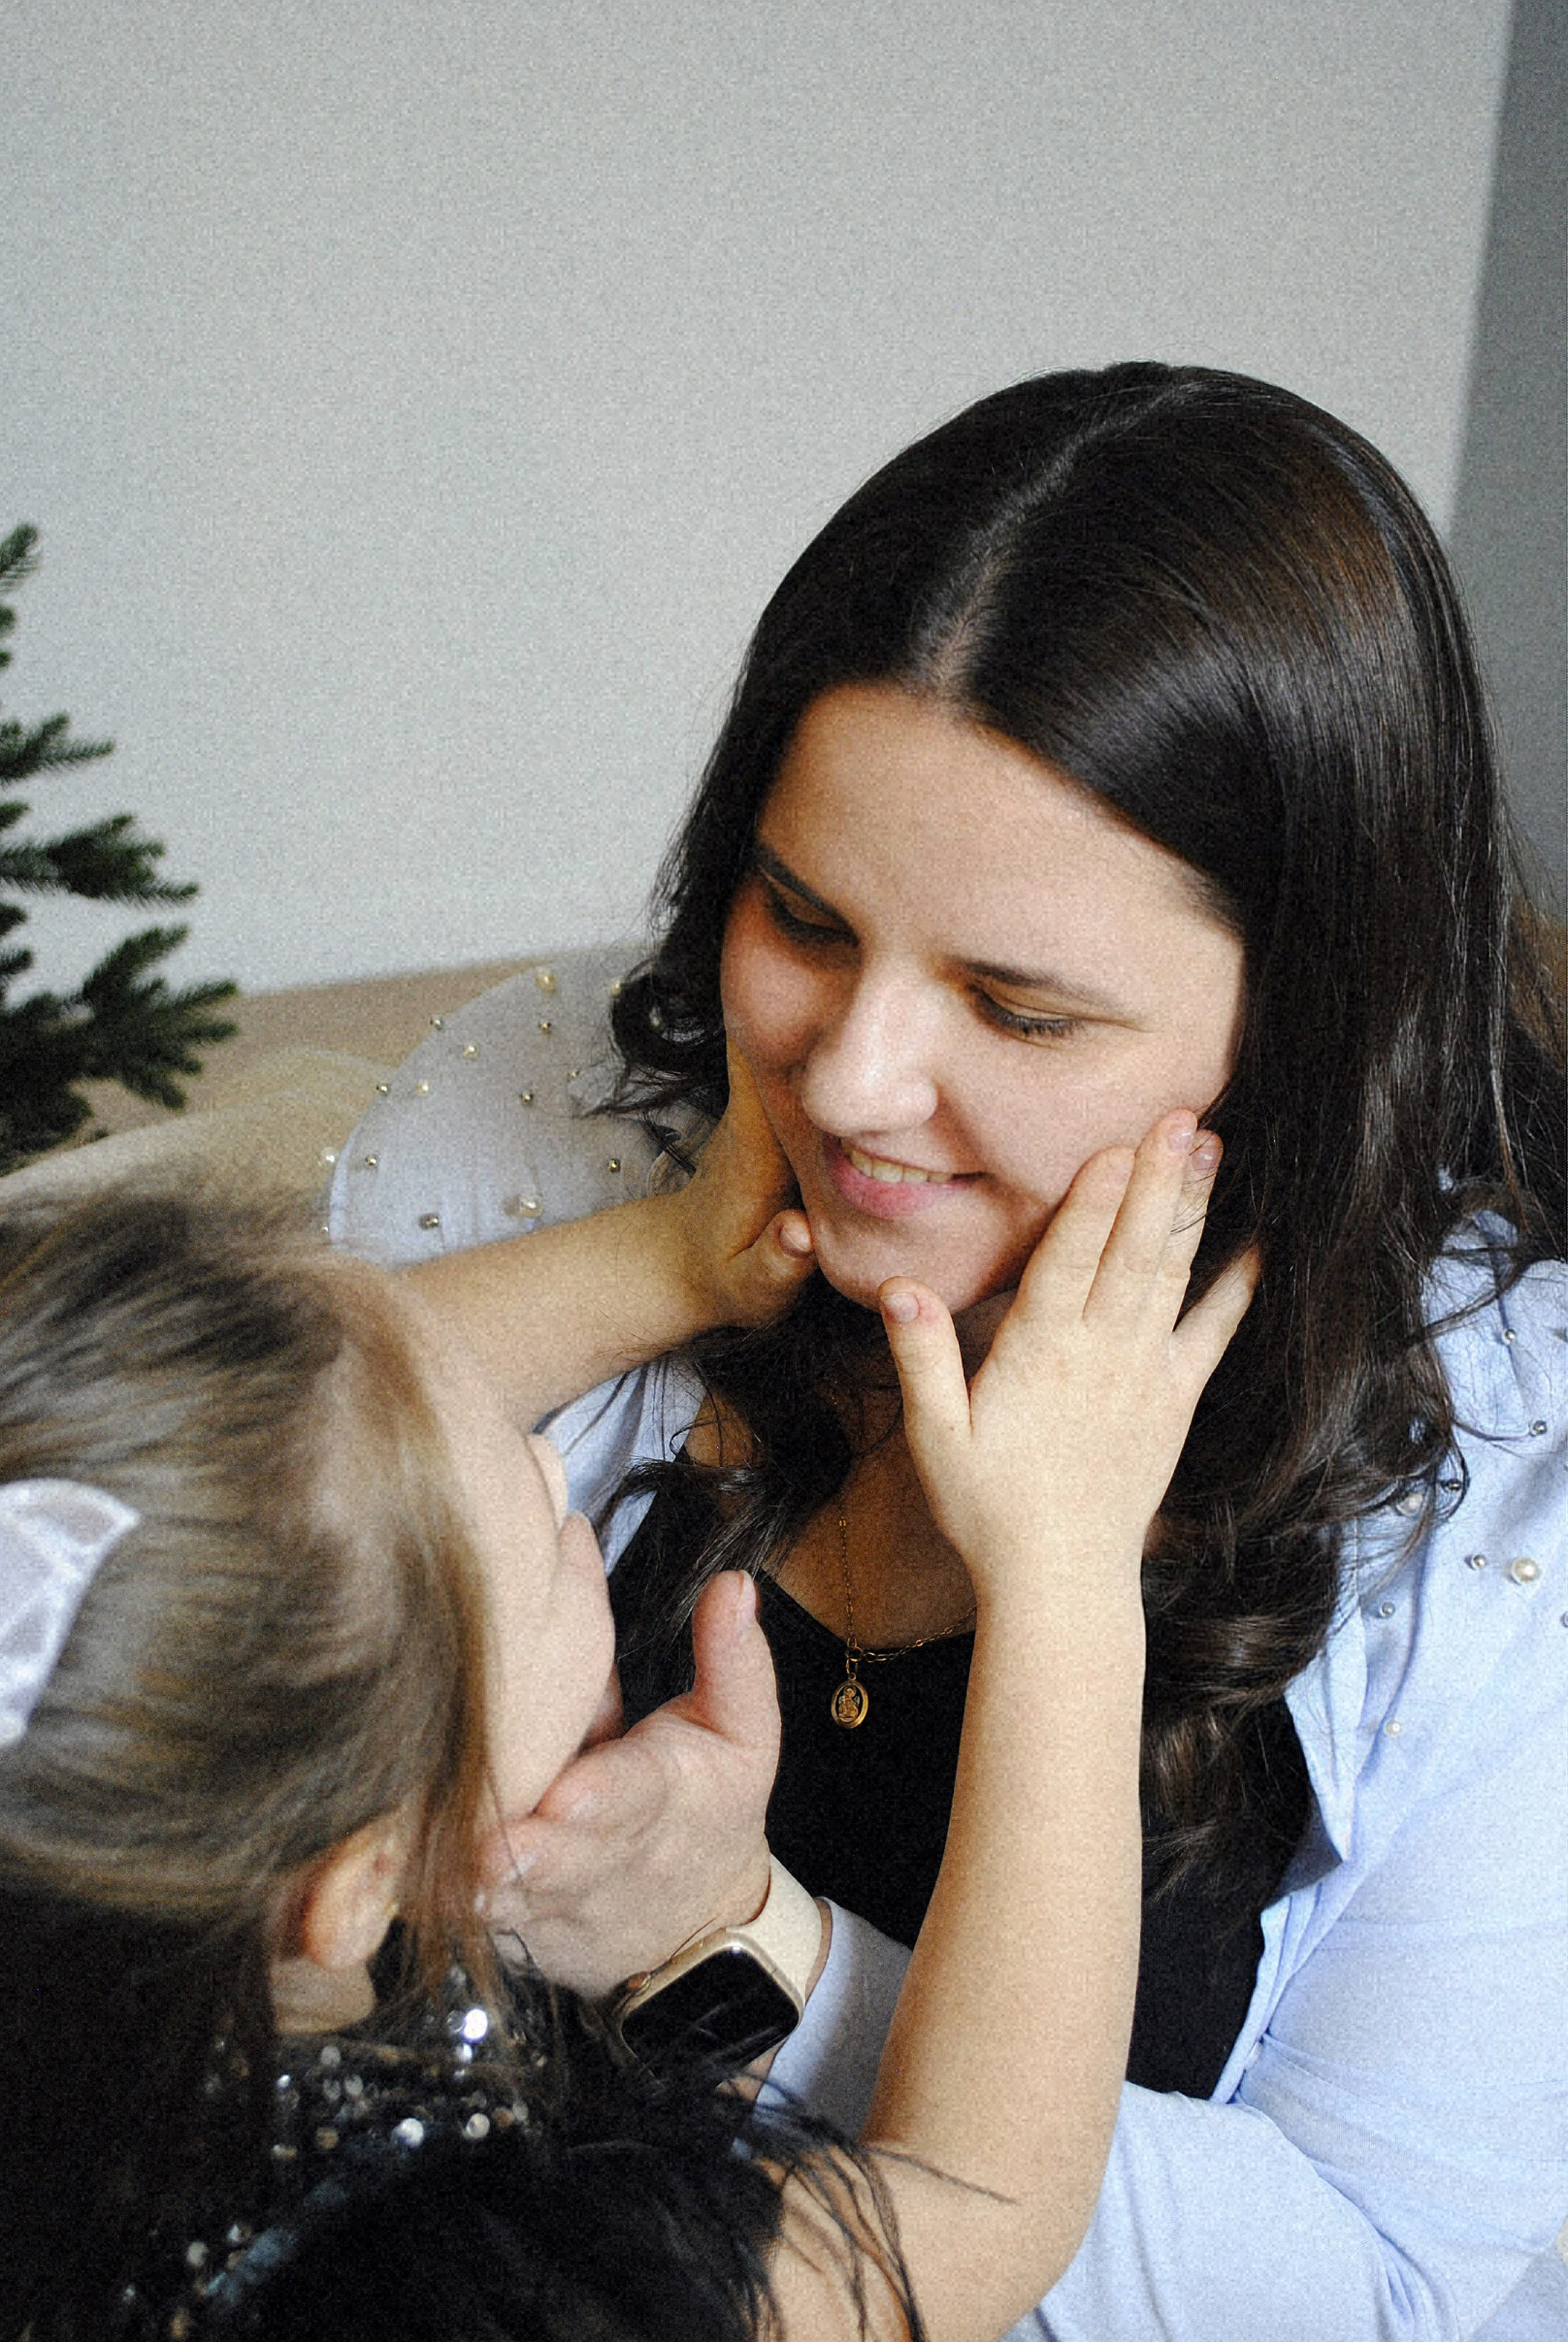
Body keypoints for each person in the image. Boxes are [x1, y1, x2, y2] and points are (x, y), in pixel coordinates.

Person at [331, 361, 1568, 2340]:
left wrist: (738, 1951)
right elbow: (234, 1459)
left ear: (1313, 1029)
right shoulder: (548, 1144)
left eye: (1018, 1006)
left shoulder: (1515, 1496)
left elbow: (1374, 2287)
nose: (854, 1078)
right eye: (802, 915)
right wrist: (663, 1260)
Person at [0, 1102, 1251, 2341]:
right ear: (362, 1878)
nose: (559, 1469)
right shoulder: (459, 2289)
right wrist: (1064, 1565)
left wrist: (674, 1259)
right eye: (547, 1538)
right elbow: (980, 2209)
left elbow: (269, 1440)